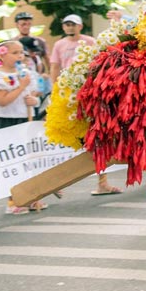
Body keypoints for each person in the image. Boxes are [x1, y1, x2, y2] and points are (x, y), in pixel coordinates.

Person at [50, 14, 121, 195]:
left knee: (94, 136)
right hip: (67, 93)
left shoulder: (90, 41)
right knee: (66, 137)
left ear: (80, 26)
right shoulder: (59, 45)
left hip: (87, 91)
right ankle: (56, 183)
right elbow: (54, 67)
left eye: (73, 24)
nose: (70, 27)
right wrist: (54, 89)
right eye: (66, 24)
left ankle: (102, 182)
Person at [0, 41, 45, 214]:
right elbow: (2, 101)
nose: (19, 56)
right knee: (11, 164)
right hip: (6, 122)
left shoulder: (25, 73)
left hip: (24, 120)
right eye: (15, 53)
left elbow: (32, 97)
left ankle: (29, 197)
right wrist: (21, 87)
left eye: (21, 52)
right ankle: (13, 201)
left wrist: (34, 101)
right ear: (2, 55)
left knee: (28, 161)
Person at [14, 11, 50, 77]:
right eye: (23, 24)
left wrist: (50, 74)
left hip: (39, 75)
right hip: (19, 75)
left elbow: (47, 58)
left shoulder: (40, 41)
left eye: (28, 24)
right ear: (17, 25)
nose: (26, 27)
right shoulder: (13, 43)